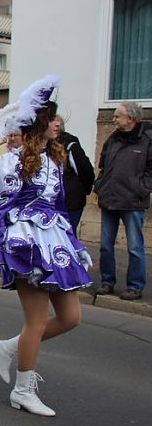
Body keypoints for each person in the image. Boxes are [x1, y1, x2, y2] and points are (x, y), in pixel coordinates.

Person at [0, 76, 91, 417]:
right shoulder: (12, 160)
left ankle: (7, 348)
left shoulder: (55, 160)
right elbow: (2, 208)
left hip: (55, 242)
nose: (57, 124)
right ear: (37, 125)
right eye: (51, 119)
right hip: (25, 244)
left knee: (72, 317)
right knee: (37, 321)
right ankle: (22, 390)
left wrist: (75, 244)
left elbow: (59, 208)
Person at [94, 101, 152, 302]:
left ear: (131, 119)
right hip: (109, 199)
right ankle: (107, 282)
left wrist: (140, 189)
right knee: (105, 245)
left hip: (133, 202)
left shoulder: (147, 140)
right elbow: (102, 166)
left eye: (118, 116)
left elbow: (150, 172)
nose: (114, 119)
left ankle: (135, 286)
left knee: (135, 247)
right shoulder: (113, 139)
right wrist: (100, 186)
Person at [55, 115, 94, 235]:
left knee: (68, 236)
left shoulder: (70, 145)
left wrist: (84, 191)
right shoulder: (42, 144)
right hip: (55, 200)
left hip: (70, 201)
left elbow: (85, 170)